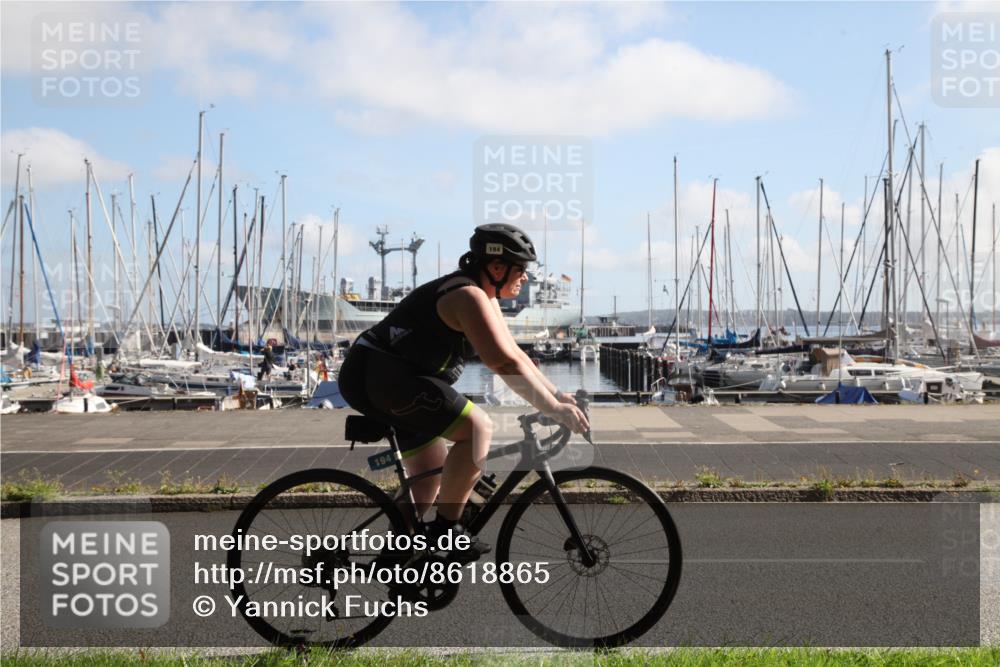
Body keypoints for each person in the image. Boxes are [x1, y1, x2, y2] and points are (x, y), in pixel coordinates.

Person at [338, 223, 589, 561]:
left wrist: (557, 396)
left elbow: (515, 355)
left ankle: (397, 561)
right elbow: (501, 364)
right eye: (521, 269)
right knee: (478, 428)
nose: (525, 277)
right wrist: (553, 409)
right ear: (496, 268)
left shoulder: (484, 297)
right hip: (382, 375)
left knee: (428, 484)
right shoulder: (467, 297)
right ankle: (446, 533)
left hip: (395, 377)